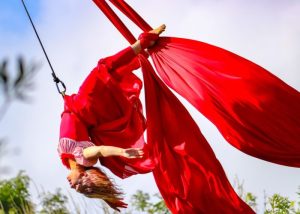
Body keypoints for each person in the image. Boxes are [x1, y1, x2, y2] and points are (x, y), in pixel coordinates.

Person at [57, 24, 166, 211]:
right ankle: (143, 43)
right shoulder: (84, 158)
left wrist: (107, 197)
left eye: (74, 188)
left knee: (109, 70)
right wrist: (122, 152)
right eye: (77, 186)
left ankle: (143, 48)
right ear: (84, 176)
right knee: (104, 68)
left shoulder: (68, 160)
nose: (71, 186)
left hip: (78, 105)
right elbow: (101, 150)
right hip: (86, 106)